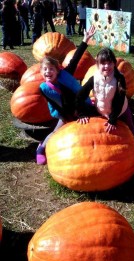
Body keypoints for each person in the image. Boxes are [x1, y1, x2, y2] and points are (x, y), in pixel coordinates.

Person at [36, 25, 96, 165]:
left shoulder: (66, 75)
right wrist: (67, 116)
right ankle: (41, 148)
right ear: (41, 72)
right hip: (66, 112)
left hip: (81, 106)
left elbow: (75, 59)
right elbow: (56, 104)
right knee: (56, 131)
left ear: (57, 71)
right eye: (45, 69)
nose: (48, 72)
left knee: (92, 124)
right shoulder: (45, 88)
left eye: (51, 69)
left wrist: (85, 40)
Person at [75, 47, 134, 156]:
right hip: (102, 111)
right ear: (98, 64)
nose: (107, 66)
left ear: (114, 64)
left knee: (130, 128)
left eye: (110, 63)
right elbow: (80, 96)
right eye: (103, 63)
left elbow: (120, 101)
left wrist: (113, 119)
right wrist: (81, 114)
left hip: (121, 110)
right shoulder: (94, 79)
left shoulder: (119, 79)